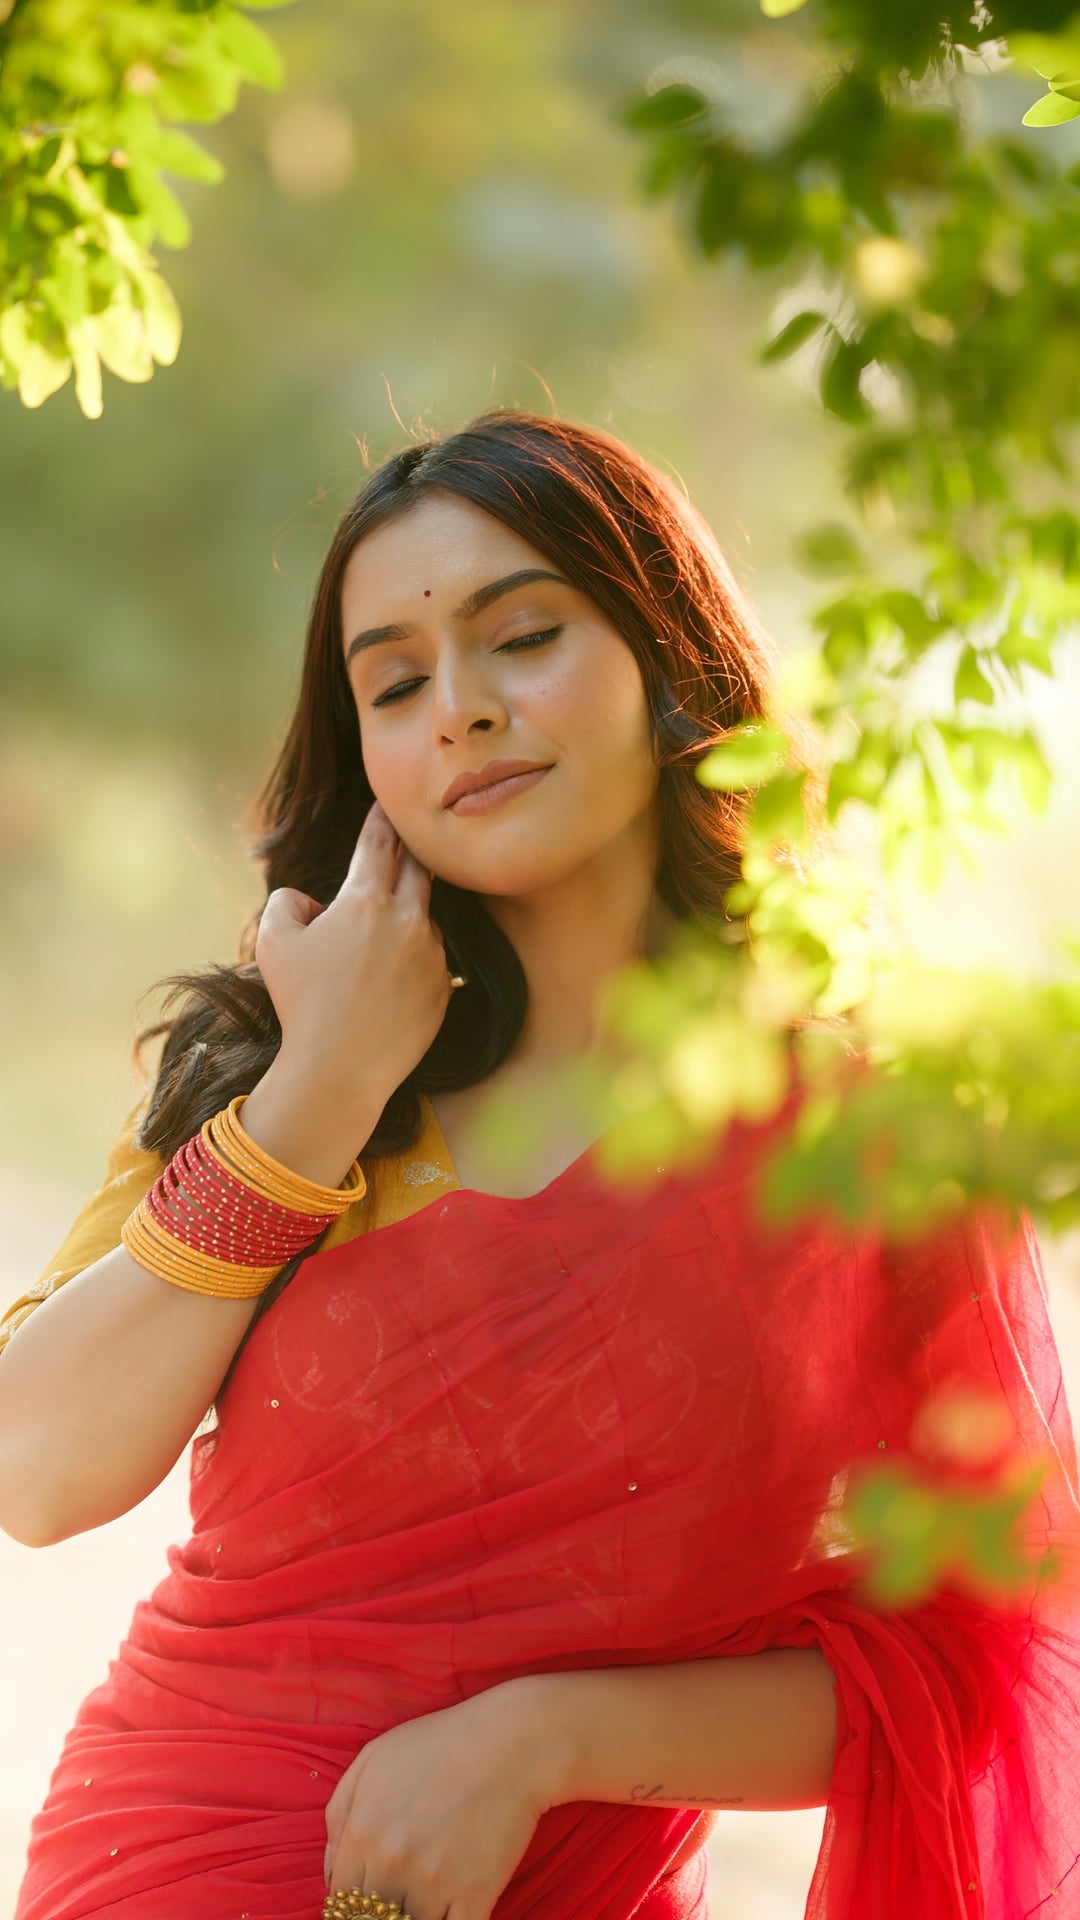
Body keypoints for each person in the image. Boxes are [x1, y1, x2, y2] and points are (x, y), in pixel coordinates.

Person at [1, 409, 1078, 1920]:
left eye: (522, 638)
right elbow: (36, 1472)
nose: (460, 709)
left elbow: (969, 1659)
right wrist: (322, 1092)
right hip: (174, 1867)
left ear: (665, 654)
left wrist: (545, 1743)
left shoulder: (875, 1140)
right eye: (395, 681)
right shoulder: (273, 1067)